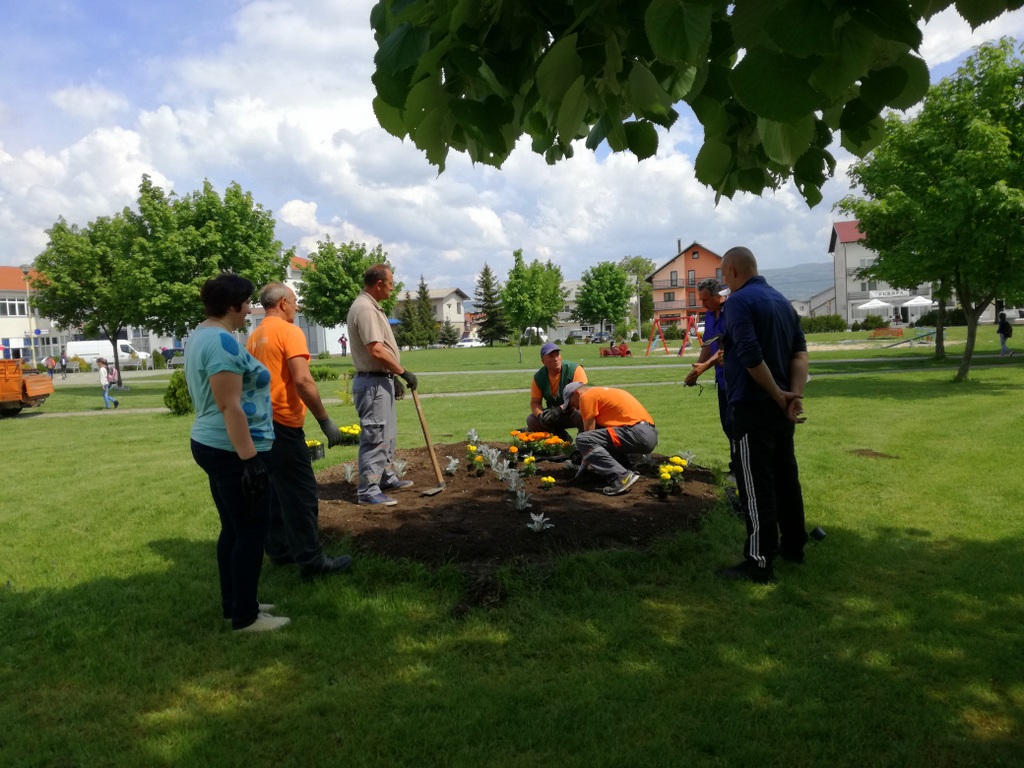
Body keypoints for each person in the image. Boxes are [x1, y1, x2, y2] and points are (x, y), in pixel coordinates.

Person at [185, 273, 288, 632]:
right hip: (232, 449)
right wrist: (251, 461)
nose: (250, 309)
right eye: (246, 303)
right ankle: (245, 617)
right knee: (250, 530)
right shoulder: (220, 343)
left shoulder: (203, 335)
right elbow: (230, 406)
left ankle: (237, 603)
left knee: (234, 527)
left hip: (216, 444)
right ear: (232, 306)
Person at [246, 283, 353, 580]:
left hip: (260, 426)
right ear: (282, 303)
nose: (297, 307)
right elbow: (303, 380)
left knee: (275, 494)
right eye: (294, 302)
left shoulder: (254, 337)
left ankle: (280, 551)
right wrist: (324, 420)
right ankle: (312, 561)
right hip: (283, 424)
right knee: (301, 494)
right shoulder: (289, 331)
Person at [717, 246, 808, 584]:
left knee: (756, 484)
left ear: (734, 272)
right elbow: (800, 353)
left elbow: (751, 355)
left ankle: (759, 561)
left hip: (753, 406)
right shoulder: (783, 302)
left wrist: (776, 393)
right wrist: (792, 395)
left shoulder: (739, 302)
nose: (724, 282)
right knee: (786, 477)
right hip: (781, 409)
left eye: (724, 275)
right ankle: (794, 545)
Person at [346, 264, 418, 506]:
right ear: (379, 284)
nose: (392, 288)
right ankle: (368, 491)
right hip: (372, 385)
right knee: (375, 436)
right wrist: (403, 371)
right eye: (390, 284)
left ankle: (385, 477)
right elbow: (375, 349)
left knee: (387, 435)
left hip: (380, 381)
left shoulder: (372, 307)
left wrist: (393, 377)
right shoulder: (365, 309)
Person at [684, 278, 738, 481]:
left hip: (736, 378)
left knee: (734, 425)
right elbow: (708, 344)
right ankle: (736, 468)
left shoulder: (732, 311)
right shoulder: (708, 314)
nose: (703, 304)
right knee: (727, 424)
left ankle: (739, 470)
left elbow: (727, 348)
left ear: (718, 297)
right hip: (721, 379)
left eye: (706, 300)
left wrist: (704, 367)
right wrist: (697, 367)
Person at [563, 382, 658, 496]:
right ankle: (627, 468)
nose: (574, 407)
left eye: (571, 403)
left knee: (583, 439)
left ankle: (621, 476)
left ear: (577, 393)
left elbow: (589, 434)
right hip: (648, 433)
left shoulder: (587, 397)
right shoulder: (606, 393)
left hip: (637, 433)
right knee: (602, 434)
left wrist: (583, 468)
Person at [526, 342, 588, 441]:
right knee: (532, 420)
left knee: (582, 413)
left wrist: (559, 409)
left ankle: (583, 443)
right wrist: (540, 415)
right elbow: (535, 402)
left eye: (557, 355)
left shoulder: (575, 369)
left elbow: (582, 397)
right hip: (554, 414)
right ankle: (561, 442)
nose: (555, 359)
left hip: (573, 411)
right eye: (551, 356)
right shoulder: (539, 377)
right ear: (543, 361)